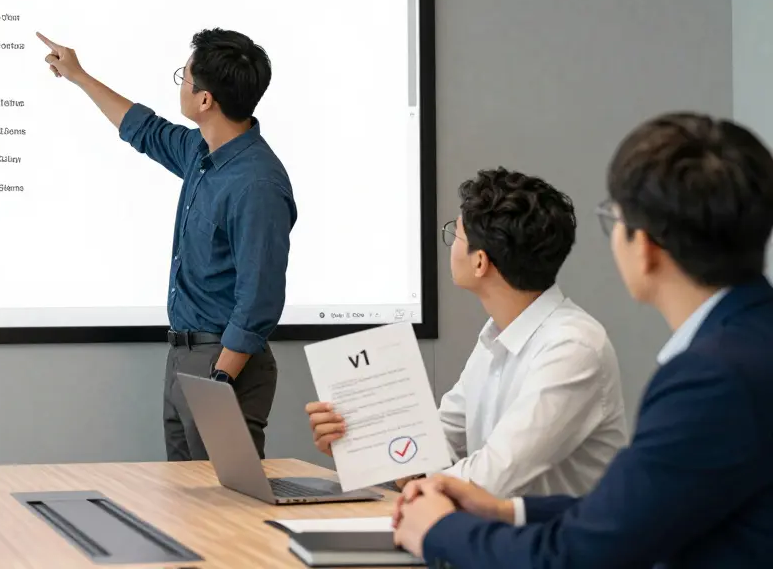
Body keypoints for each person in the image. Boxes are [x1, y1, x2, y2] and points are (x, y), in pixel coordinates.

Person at [393, 114, 773, 567]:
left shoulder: (711, 378)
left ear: (644, 246)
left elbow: (580, 554)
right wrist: (507, 511)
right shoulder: (749, 343)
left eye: (615, 219)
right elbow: (638, 511)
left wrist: (438, 530)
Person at [37, 29, 295, 460]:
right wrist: (79, 76)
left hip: (222, 364)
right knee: (183, 497)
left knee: (227, 499)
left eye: (184, 77)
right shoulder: (201, 153)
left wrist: (219, 379)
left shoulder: (257, 184)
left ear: (205, 99)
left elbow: (259, 298)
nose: (181, 85)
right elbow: (144, 129)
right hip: (184, 358)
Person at [306, 168, 627, 497]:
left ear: (480, 262)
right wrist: (357, 443)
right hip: (489, 526)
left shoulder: (572, 347)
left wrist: (411, 478)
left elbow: (492, 477)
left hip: (543, 530)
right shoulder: (497, 334)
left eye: (455, 234)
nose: (450, 245)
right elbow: (437, 443)